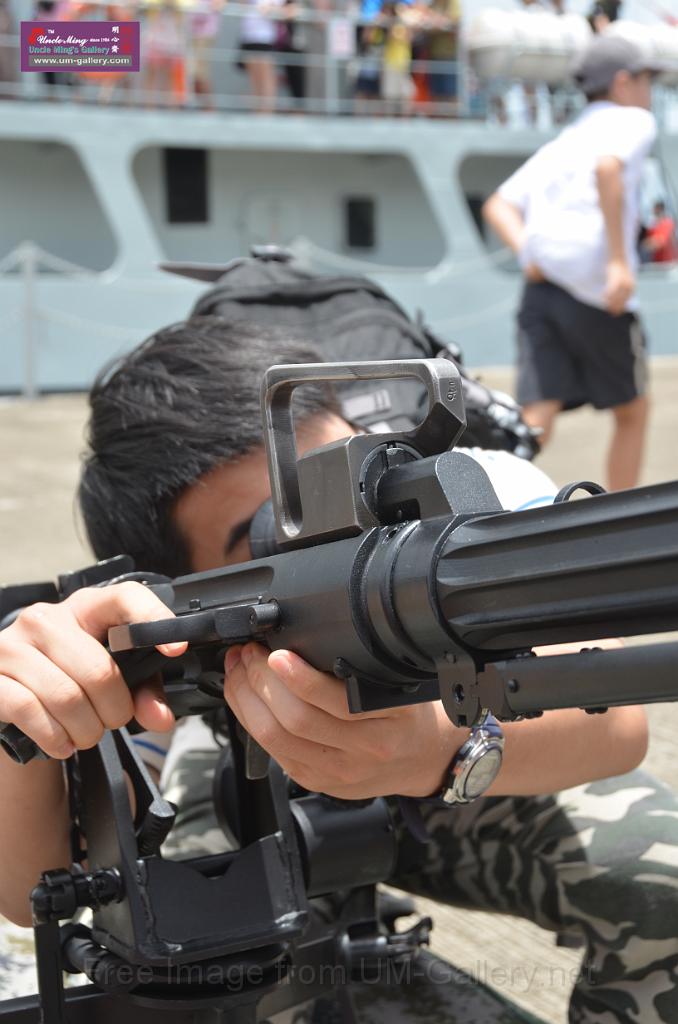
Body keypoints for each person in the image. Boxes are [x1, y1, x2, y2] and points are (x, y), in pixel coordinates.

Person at [1, 318, 678, 1020]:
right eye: (276, 532)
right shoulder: (162, 655)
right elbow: (35, 888)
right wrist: (28, 717)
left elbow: (616, 725)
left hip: (456, 761)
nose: (346, 544)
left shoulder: (471, 518)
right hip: (252, 769)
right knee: (209, 961)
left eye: (343, 484)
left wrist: (436, 750)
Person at [482, 35, 660, 493]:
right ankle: (621, 514)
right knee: (633, 410)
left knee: (537, 411)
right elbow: (608, 169)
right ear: (623, 83)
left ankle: (492, 506)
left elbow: (499, 203)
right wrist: (621, 263)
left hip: (543, 287)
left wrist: (528, 253)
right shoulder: (634, 120)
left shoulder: (565, 139)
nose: (651, 90)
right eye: (648, 79)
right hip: (596, 291)